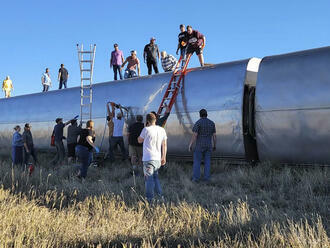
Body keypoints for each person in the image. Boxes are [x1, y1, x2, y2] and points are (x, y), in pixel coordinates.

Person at [138, 113, 167, 203]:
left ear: (147, 121)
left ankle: (150, 200)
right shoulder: (162, 130)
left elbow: (139, 140)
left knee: (149, 180)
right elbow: (164, 144)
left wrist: (144, 126)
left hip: (148, 159)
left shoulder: (146, 129)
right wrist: (164, 157)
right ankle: (160, 196)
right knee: (156, 178)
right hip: (157, 159)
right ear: (155, 120)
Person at [188, 109, 216, 182]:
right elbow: (214, 136)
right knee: (207, 162)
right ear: (206, 114)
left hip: (199, 146)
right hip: (208, 145)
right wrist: (214, 145)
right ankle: (207, 178)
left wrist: (190, 145)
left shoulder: (198, 123)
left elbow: (195, 135)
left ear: (200, 115)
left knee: (197, 162)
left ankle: (196, 178)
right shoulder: (212, 123)